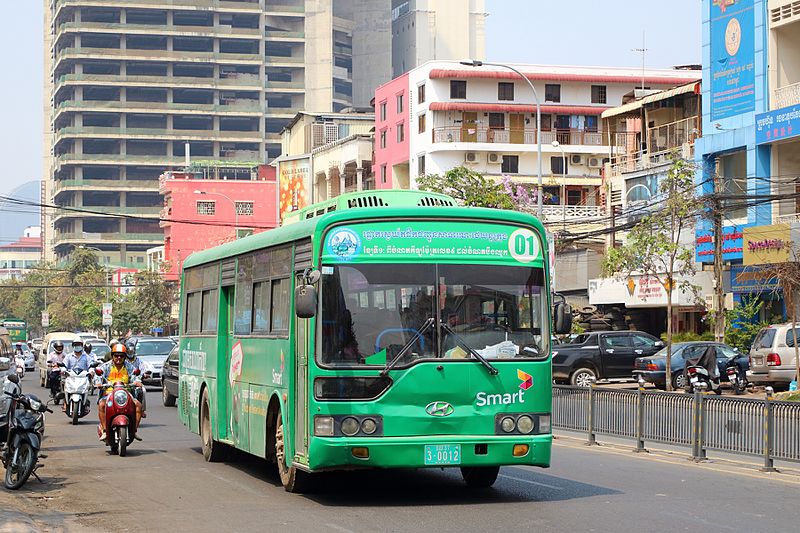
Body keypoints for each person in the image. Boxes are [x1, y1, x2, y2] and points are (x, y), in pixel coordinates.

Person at [97, 344, 142, 442]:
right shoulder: (106, 366)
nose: (118, 358)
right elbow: (98, 377)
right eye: (116, 355)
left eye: (121, 356)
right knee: (101, 405)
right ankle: (105, 430)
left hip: (126, 393)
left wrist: (137, 382)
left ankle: (134, 431)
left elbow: (135, 375)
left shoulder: (129, 366)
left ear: (125, 357)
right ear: (112, 356)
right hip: (109, 394)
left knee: (138, 405)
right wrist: (98, 383)